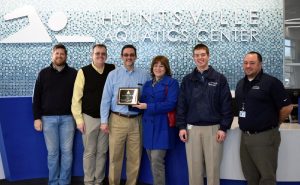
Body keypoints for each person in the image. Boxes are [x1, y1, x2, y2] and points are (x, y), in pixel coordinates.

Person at [176, 43, 233, 185]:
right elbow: (181, 105)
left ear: (208, 56)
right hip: (192, 130)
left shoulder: (219, 79)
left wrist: (223, 128)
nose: (200, 58)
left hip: (213, 129)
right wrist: (182, 126)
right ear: (193, 57)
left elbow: (227, 106)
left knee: (213, 170)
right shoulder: (187, 80)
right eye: (197, 55)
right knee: (194, 171)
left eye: (203, 55)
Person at [235, 51, 293, 185]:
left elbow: (287, 107)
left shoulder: (271, 82)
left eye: (252, 63)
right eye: (245, 63)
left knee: (267, 178)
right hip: (244, 137)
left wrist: (275, 123)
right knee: (250, 176)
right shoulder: (240, 83)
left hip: (265, 136)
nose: (248, 66)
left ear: (260, 64)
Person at [100, 44, 149, 185]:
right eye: (126, 55)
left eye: (131, 55)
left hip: (136, 121)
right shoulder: (113, 75)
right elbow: (105, 99)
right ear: (121, 57)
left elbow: (147, 97)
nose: (129, 57)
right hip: (117, 120)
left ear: (136, 56)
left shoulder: (144, 75)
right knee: (115, 158)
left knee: (135, 158)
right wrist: (104, 121)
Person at [32, 43, 77, 185]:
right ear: (52, 55)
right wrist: (37, 118)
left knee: (67, 153)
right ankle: (53, 182)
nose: (59, 56)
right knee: (52, 153)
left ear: (66, 56)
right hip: (48, 120)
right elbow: (36, 97)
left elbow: (79, 97)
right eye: (57, 53)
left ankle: (64, 182)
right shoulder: (43, 73)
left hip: (68, 119)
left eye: (62, 54)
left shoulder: (74, 73)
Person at [71, 44, 115, 185]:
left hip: (107, 119)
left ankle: (99, 181)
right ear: (92, 55)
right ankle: (89, 181)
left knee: (102, 152)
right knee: (90, 152)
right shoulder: (83, 72)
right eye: (97, 53)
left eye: (103, 53)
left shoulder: (112, 69)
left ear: (106, 55)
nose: (100, 56)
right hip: (89, 118)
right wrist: (79, 120)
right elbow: (76, 98)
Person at [132, 56, 179, 185]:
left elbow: (171, 104)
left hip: (162, 128)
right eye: (155, 65)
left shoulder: (172, 83)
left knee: (157, 162)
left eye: (161, 66)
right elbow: (142, 104)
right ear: (152, 68)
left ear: (166, 68)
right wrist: (131, 104)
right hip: (148, 129)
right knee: (153, 162)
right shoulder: (147, 84)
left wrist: (148, 106)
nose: (158, 68)